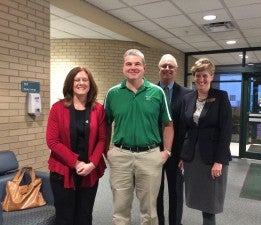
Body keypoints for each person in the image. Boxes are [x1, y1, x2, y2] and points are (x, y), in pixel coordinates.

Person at [104, 49, 174, 225]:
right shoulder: (113, 93)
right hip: (120, 156)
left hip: (149, 156)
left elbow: (168, 125)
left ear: (144, 67)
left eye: (137, 64)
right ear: (123, 67)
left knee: (149, 211)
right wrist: (107, 151)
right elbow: (104, 124)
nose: (133, 67)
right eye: (129, 64)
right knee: (120, 210)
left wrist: (166, 152)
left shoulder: (157, 92)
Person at [46, 66, 107, 225]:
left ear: (90, 84)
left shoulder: (98, 109)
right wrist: (76, 162)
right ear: (70, 84)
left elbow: (102, 139)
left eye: (85, 80)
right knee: (65, 217)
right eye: (77, 80)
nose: (81, 83)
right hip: (63, 172)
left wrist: (92, 164)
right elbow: (52, 141)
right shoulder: (57, 108)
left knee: (85, 216)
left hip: (89, 171)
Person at [178, 58, 232, 225]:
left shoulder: (221, 97)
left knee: (210, 203)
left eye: (205, 75)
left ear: (212, 76)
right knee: (197, 198)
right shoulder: (187, 98)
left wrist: (219, 161)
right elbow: (183, 129)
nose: (201, 79)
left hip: (212, 158)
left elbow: (226, 130)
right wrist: (182, 156)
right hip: (193, 157)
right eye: (198, 75)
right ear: (193, 76)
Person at [156, 54, 192, 225]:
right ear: (159, 68)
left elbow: (189, 127)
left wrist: (185, 155)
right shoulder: (149, 91)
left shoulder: (187, 94)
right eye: (164, 66)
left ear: (176, 70)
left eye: (171, 66)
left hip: (177, 154)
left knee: (176, 192)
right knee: (155, 192)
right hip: (153, 152)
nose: (167, 69)